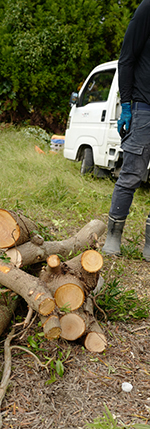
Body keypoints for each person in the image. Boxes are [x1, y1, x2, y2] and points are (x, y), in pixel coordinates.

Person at [102, 0, 150, 261]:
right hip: (144, 108)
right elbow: (127, 57)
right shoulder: (148, 8)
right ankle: (113, 235)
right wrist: (127, 104)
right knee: (131, 175)